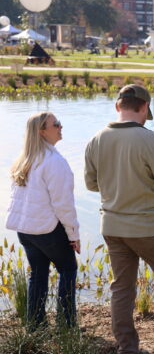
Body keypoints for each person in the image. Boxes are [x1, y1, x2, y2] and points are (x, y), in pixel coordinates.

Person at [84, 85, 154, 354]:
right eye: (145, 113)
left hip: (112, 225)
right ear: (143, 108)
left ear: (118, 106)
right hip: (149, 227)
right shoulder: (149, 140)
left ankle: (127, 348)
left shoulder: (96, 139)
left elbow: (91, 184)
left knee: (122, 288)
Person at [5, 112, 80, 329]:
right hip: (46, 230)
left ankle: (35, 325)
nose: (60, 126)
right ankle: (67, 326)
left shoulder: (24, 159)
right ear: (42, 132)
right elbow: (63, 205)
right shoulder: (54, 162)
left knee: (37, 274)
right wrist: (73, 235)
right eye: (55, 124)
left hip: (26, 231)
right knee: (68, 269)